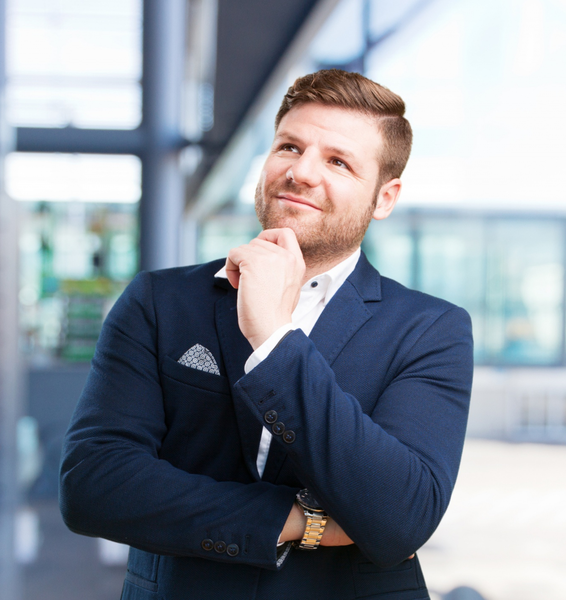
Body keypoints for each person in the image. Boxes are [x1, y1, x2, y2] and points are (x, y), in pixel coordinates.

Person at [60, 69, 473, 599]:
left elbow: (399, 516)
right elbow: (93, 484)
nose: (301, 172)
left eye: (338, 162)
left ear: (384, 198)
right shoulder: (159, 302)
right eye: (289, 146)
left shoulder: (430, 330)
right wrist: (299, 520)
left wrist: (275, 340)